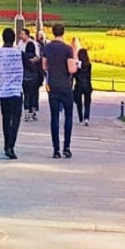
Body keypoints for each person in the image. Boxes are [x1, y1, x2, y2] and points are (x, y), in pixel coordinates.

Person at [41, 23, 78, 159]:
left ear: (53, 32)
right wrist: (76, 64)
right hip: (66, 86)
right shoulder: (68, 49)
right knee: (68, 116)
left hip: (53, 85)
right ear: (63, 32)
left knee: (54, 117)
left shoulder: (47, 48)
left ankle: (55, 149)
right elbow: (71, 69)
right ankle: (66, 147)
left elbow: (44, 66)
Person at [0, 27, 24, 159]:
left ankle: (6, 144)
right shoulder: (19, 53)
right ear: (14, 40)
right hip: (16, 90)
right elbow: (30, 66)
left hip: (3, 91)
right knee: (16, 118)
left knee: (6, 118)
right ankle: (10, 145)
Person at [19, 27, 40, 120]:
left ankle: (27, 112)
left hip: (25, 73)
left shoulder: (34, 44)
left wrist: (28, 61)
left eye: (22, 34)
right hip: (33, 75)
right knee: (33, 94)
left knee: (27, 94)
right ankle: (33, 112)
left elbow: (38, 56)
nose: (21, 36)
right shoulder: (20, 43)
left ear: (27, 35)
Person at [74, 46, 92, 126]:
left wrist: (78, 68)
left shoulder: (78, 65)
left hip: (79, 85)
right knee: (87, 103)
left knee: (79, 103)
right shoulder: (89, 64)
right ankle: (86, 118)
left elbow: (75, 75)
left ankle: (81, 118)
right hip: (87, 85)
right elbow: (89, 75)